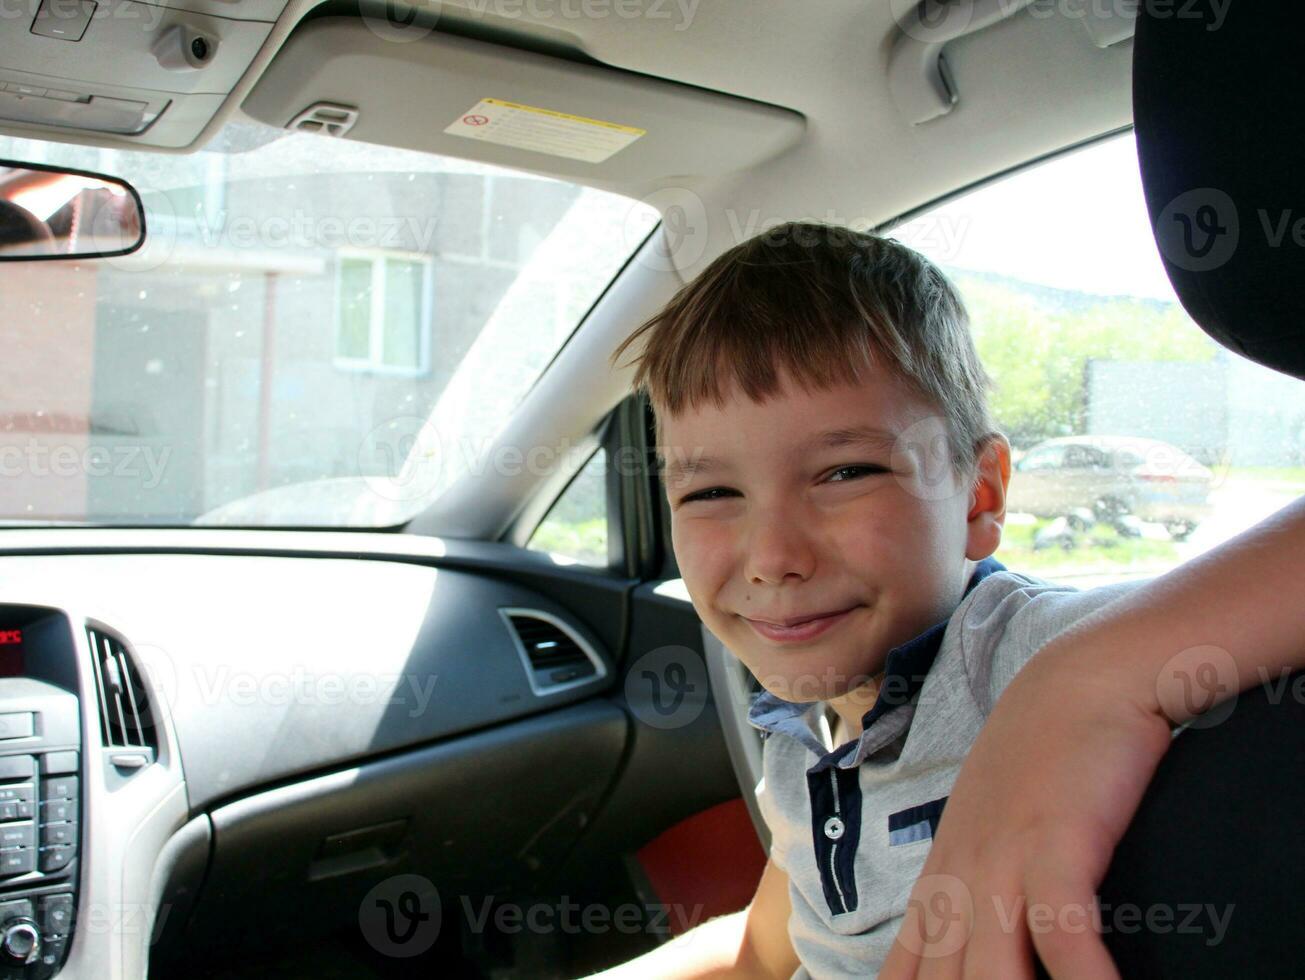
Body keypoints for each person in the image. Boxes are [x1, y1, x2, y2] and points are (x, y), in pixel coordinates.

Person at [593, 221, 1305, 978]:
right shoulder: (804, 740)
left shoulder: (1030, 654)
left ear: (979, 494)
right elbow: (765, 949)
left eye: (846, 473)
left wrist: (1083, 680)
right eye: (709, 491)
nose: (772, 559)